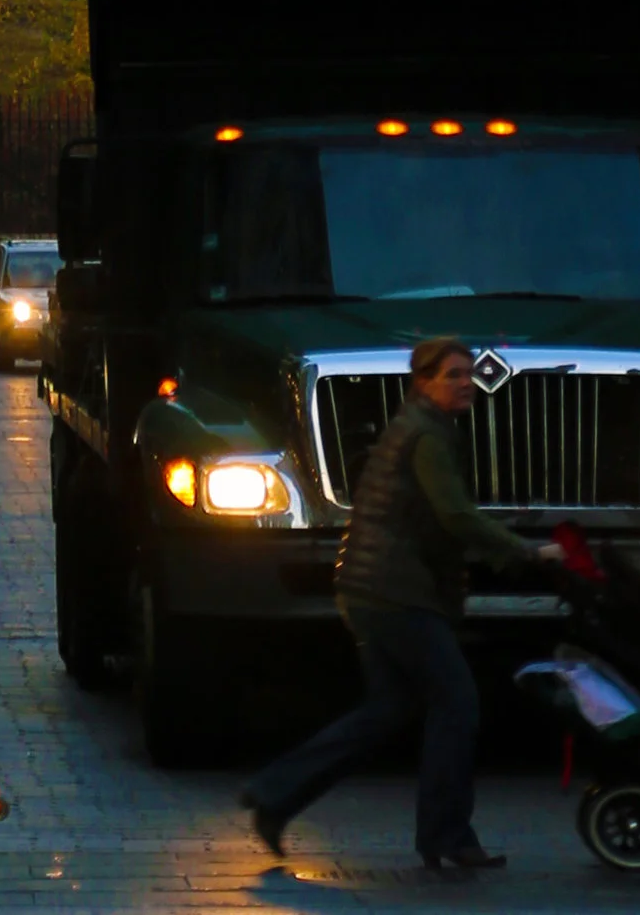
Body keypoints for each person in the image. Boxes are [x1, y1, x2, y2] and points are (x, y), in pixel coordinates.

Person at [240, 336, 570, 877]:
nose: (466, 384)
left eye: (468, 375)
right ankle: (448, 836)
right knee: (457, 703)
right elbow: (456, 517)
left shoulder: (418, 428)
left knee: (387, 711)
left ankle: (274, 794)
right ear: (423, 381)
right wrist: (528, 552)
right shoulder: (427, 437)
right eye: (452, 375)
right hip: (396, 594)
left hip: (371, 589)